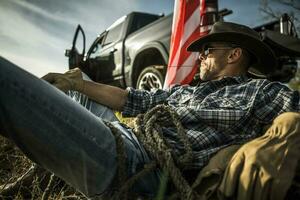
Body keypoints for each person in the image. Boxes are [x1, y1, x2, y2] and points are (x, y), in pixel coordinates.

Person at [0, 21, 299, 199]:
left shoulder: (262, 92)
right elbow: (130, 101)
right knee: (84, 83)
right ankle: (48, 169)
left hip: (140, 164)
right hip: (129, 135)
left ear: (234, 55)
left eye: (208, 51)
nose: (201, 58)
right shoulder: (186, 90)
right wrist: (76, 83)